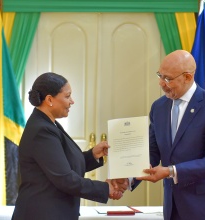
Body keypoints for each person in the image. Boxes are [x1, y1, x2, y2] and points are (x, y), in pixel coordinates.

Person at [115, 50, 205, 220]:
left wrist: (170, 171)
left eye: (167, 78)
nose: (160, 83)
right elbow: (152, 151)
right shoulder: (158, 107)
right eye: (159, 75)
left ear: (187, 77)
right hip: (173, 208)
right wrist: (129, 176)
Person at [12, 72, 123, 220]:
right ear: (49, 99)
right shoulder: (42, 130)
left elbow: (63, 165)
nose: (72, 101)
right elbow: (65, 179)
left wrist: (92, 155)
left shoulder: (48, 124)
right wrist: (105, 188)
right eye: (67, 96)